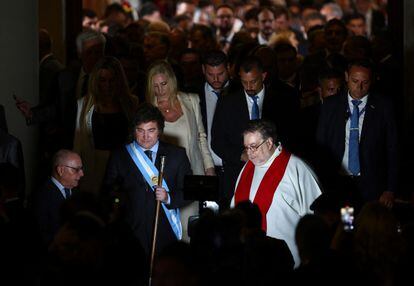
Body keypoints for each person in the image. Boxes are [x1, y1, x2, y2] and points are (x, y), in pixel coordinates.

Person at [103, 103, 192, 256]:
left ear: (159, 131)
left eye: (151, 130)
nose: (145, 137)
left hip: (164, 230)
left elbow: (189, 191)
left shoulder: (177, 155)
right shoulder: (120, 155)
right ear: (134, 130)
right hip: (130, 232)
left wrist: (168, 198)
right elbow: (108, 191)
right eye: (140, 131)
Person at [231, 120, 322, 267]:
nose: (249, 153)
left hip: (288, 261)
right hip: (250, 260)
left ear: (269, 143)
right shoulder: (246, 169)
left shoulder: (296, 168)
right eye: (246, 148)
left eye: (253, 147)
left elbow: (315, 218)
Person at [211, 56, 299, 208]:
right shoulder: (227, 103)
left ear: (263, 76)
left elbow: (294, 136)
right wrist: (240, 155)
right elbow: (217, 141)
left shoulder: (283, 100)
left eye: (253, 81)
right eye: (244, 82)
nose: (249, 86)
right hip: (238, 175)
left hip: (277, 173)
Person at [146, 60, 215, 241]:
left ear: (172, 81)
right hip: (164, 178)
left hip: (193, 173)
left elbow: (201, 137)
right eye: (155, 86)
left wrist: (209, 168)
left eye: (163, 84)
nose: (160, 90)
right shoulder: (148, 110)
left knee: (189, 228)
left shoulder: (190, 100)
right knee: (166, 228)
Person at [316, 59, 398, 210]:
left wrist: (390, 189)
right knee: (345, 227)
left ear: (372, 81)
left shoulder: (384, 106)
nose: (359, 87)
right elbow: (321, 145)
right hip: (339, 183)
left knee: (368, 230)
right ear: (347, 77)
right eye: (355, 81)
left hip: (372, 186)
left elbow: (392, 149)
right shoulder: (331, 105)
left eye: (365, 82)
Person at [73, 56, 139, 194]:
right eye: (102, 80)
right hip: (94, 166)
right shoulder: (84, 105)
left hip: (123, 165)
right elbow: (79, 142)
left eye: (112, 80)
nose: (107, 85)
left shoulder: (131, 103)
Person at [30, 149, 84, 248]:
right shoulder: (41, 196)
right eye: (76, 169)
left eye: (81, 169)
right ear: (60, 170)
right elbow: (41, 235)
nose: (81, 174)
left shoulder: (77, 192)